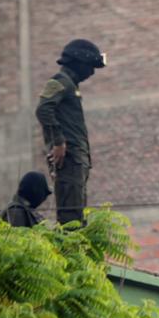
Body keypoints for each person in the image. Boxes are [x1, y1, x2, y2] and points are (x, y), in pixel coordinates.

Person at [35, 39, 106, 226]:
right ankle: (72, 253)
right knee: (71, 221)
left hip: (76, 160)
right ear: (79, 62)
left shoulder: (71, 86)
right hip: (70, 158)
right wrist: (58, 142)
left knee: (78, 216)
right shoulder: (59, 81)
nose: (91, 73)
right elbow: (43, 109)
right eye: (90, 66)